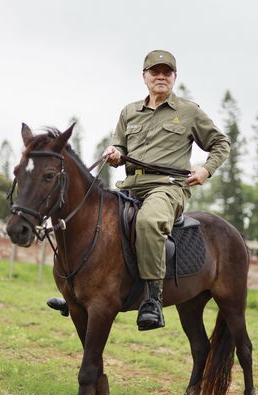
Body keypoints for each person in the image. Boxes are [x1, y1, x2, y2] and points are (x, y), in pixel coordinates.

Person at [48, 49, 230, 331]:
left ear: (174, 77)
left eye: (166, 72)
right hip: (129, 187)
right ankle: (75, 291)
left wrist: (206, 169)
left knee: (148, 222)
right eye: (155, 72)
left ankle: (152, 300)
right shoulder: (129, 112)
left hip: (167, 188)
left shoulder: (188, 111)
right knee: (87, 219)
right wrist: (115, 152)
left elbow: (221, 143)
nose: (161, 77)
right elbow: (119, 145)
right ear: (144, 77)